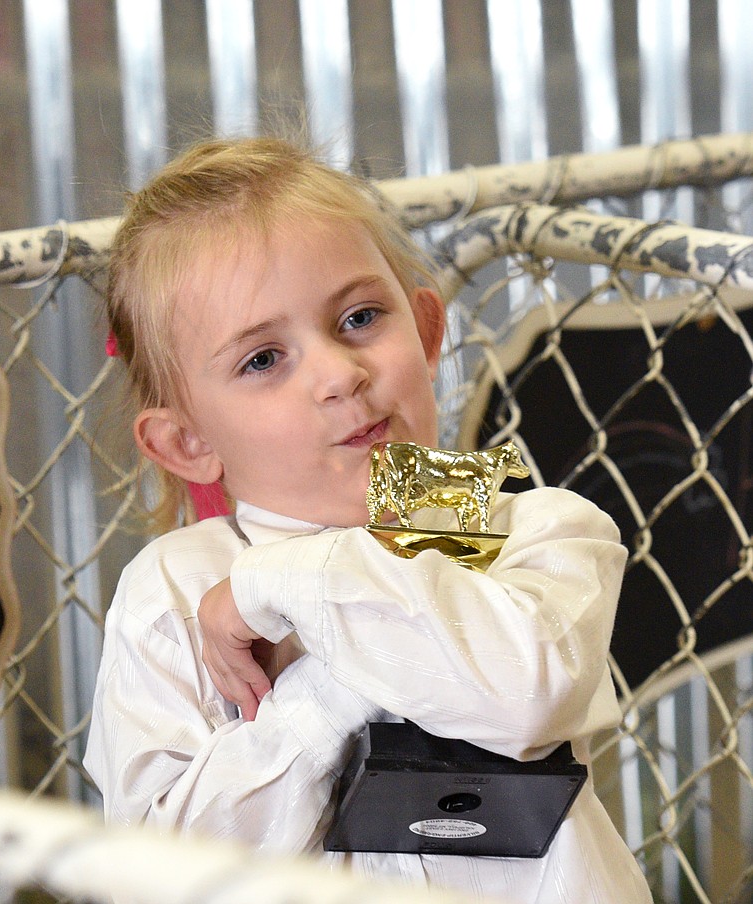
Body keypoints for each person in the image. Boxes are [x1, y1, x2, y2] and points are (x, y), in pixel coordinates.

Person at [83, 136, 651, 904]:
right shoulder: (173, 593)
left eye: (358, 318)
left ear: (424, 331)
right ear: (188, 441)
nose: (339, 374)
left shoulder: (541, 530)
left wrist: (290, 583)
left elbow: (529, 692)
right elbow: (154, 874)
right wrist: (326, 694)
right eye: (263, 360)